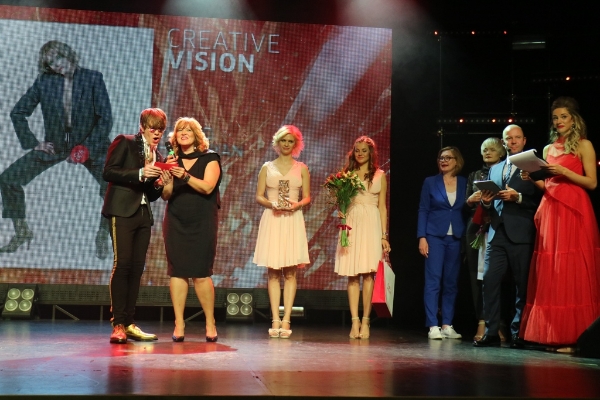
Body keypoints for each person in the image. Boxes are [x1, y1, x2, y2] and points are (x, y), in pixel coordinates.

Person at [0, 40, 112, 258]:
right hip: (56, 145)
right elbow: (18, 112)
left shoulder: (93, 78)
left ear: (67, 54)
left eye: (58, 58)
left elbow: (105, 118)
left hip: (91, 144)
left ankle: (103, 233)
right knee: (8, 179)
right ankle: (22, 232)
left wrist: (86, 148)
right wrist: (34, 143)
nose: (56, 65)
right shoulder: (44, 81)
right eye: (50, 62)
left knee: (115, 187)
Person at [520, 97, 600, 352]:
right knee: (554, 271)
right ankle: (555, 335)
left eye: (564, 116)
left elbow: (592, 183)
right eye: (555, 118)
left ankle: (579, 340)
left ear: (574, 119)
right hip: (551, 209)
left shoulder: (584, 145)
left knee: (573, 270)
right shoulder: (547, 149)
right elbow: (548, 186)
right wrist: (532, 178)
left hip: (574, 210)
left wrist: (566, 172)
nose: (559, 121)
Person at [102, 108, 168, 344]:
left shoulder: (158, 155)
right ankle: (118, 323)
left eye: (160, 130)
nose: (157, 133)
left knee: (138, 267)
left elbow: (150, 194)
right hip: (122, 210)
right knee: (123, 265)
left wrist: (159, 183)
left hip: (142, 213)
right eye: (153, 128)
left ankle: (129, 323)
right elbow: (108, 172)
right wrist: (140, 172)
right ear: (142, 127)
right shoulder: (126, 142)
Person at [474, 124, 542, 347]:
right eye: (508, 138)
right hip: (497, 232)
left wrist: (518, 197)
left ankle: (518, 333)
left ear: (524, 140)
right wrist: (486, 201)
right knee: (490, 281)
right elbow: (490, 202)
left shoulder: (534, 165)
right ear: (503, 142)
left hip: (521, 232)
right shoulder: (495, 169)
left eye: (517, 138)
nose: (513, 141)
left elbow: (542, 199)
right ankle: (492, 332)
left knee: (522, 285)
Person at [161, 117, 221, 342]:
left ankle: (210, 322)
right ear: (175, 137)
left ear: (197, 136)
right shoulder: (171, 160)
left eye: (188, 130)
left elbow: (207, 188)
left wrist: (184, 175)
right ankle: (179, 323)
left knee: (201, 272)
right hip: (176, 220)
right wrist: (167, 178)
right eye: (180, 130)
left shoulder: (210, 158)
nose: (183, 133)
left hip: (202, 222)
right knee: (177, 271)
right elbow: (166, 195)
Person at [253, 125, 310, 339]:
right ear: (277, 142)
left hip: (293, 220)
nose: (286, 144)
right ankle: (275, 319)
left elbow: (307, 196)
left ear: (296, 144)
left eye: (290, 141)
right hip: (273, 218)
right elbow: (259, 195)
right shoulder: (267, 167)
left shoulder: (301, 168)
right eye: (283, 140)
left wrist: (297, 205)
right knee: (274, 272)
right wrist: (272, 204)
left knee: (291, 272)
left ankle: (286, 319)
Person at [335, 136, 390, 340]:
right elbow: (341, 202)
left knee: (368, 274)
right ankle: (354, 321)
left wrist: (384, 235)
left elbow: (382, 207)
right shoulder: (346, 175)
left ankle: (366, 320)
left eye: (364, 150)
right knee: (352, 275)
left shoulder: (380, 175)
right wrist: (341, 212)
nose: (359, 153)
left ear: (371, 153)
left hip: (371, 224)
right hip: (352, 223)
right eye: (357, 150)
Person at [418, 146, 466, 340]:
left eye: (448, 158)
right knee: (433, 281)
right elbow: (423, 209)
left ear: (456, 161)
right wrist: (422, 237)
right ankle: (433, 325)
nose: (443, 161)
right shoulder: (430, 182)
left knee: (451, 282)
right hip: (434, 236)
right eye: (441, 158)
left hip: (456, 237)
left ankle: (447, 324)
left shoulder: (464, 182)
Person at [464, 137, 506, 341]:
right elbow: (466, 204)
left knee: (496, 277)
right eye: (484, 150)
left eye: (492, 149)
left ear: (501, 153)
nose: (487, 153)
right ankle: (481, 321)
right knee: (476, 277)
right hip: (477, 228)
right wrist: (471, 200)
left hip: (498, 226)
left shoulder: (506, 172)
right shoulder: (474, 175)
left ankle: (497, 323)